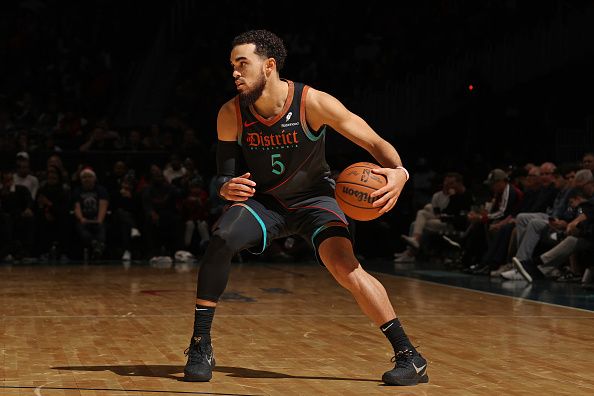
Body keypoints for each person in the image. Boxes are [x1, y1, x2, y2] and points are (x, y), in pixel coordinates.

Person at [183, 30, 427, 386]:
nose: (234, 73)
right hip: (265, 203)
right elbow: (221, 178)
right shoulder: (230, 113)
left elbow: (374, 141)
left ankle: (410, 356)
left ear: (268, 66)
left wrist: (400, 173)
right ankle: (200, 344)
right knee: (222, 238)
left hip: (316, 199)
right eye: (231, 65)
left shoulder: (313, 103)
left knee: (347, 269)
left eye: (242, 64)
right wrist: (225, 187)